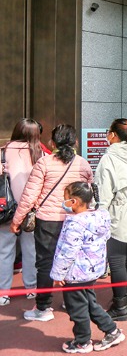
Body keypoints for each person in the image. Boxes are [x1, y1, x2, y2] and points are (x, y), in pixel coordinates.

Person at [10, 124, 93, 322]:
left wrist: (17, 220)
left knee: (45, 264)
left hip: (48, 222)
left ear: (52, 143)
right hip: (75, 220)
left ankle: (43, 308)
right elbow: (89, 193)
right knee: (72, 260)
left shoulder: (44, 163)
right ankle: (72, 301)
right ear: (75, 142)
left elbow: (30, 196)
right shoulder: (82, 163)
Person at [51, 182, 125, 353]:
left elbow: (67, 251)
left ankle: (82, 341)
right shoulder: (100, 216)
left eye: (66, 199)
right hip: (90, 270)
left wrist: (58, 273)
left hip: (75, 273)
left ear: (75, 201)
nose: (64, 202)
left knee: (77, 308)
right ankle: (112, 330)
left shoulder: (75, 223)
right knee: (90, 303)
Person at [95, 119, 127, 321]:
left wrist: (100, 217)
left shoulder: (109, 159)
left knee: (116, 261)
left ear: (114, 135)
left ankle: (120, 305)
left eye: (108, 132)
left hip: (117, 212)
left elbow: (104, 194)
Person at [1, 119, 41, 306]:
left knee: (4, 251)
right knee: (31, 249)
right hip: (31, 209)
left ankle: (3, 293)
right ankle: (32, 288)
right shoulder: (38, 152)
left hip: (6, 209)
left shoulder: (3, 151)